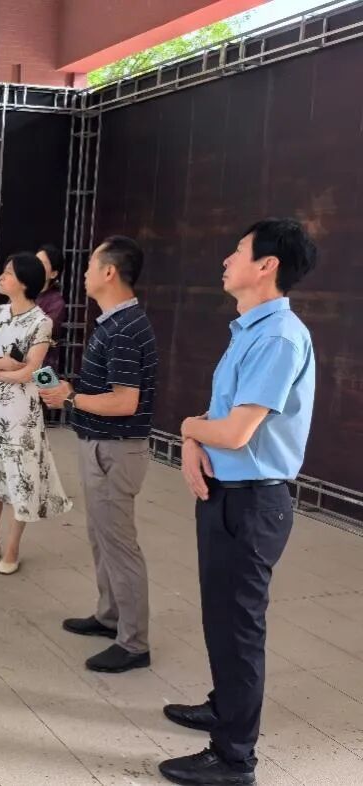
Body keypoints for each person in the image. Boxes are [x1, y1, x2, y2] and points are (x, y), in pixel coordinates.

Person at [158, 219, 317, 786]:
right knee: (222, 619)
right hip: (228, 497)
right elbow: (220, 418)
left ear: (267, 265)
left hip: (252, 505)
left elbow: (235, 432)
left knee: (240, 629)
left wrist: (187, 428)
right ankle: (224, 707)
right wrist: (192, 440)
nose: (227, 259)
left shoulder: (277, 337)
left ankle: (234, 758)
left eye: (239, 250)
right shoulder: (250, 330)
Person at [39, 236, 158, 673]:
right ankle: (110, 617)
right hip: (102, 446)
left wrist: (70, 398)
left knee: (119, 545)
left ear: (110, 272)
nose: (85, 272)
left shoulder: (125, 329)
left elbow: (125, 401)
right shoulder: (114, 323)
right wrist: (73, 390)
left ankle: (134, 643)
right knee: (101, 537)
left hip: (115, 450)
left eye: (91, 264)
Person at [0, 252, 73, 574]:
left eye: (8, 273)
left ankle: (12, 548)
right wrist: (1, 365)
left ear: (24, 282)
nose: (1, 277)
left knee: (19, 475)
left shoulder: (41, 322)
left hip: (19, 411)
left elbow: (29, 372)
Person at [35, 243, 67, 373]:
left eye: (42, 263)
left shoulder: (56, 303)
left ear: (53, 274)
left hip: (41, 371)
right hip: (13, 366)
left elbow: (39, 334)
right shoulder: (19, 293)